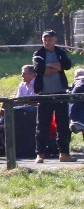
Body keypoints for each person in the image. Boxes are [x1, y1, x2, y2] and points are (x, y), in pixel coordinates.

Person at [32, 29, 75, 163]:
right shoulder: (38, 53)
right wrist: (57, 66)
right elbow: (40, 69)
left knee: (63, 125)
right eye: (45, 39)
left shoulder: (60, 52)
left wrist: (49, 67)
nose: (46, 42)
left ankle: (64, 153)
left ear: (55, 40)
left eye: (49, 39)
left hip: (61, 93)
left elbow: (67, 65)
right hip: (44, 94)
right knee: (42, 126)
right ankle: (40, 154)